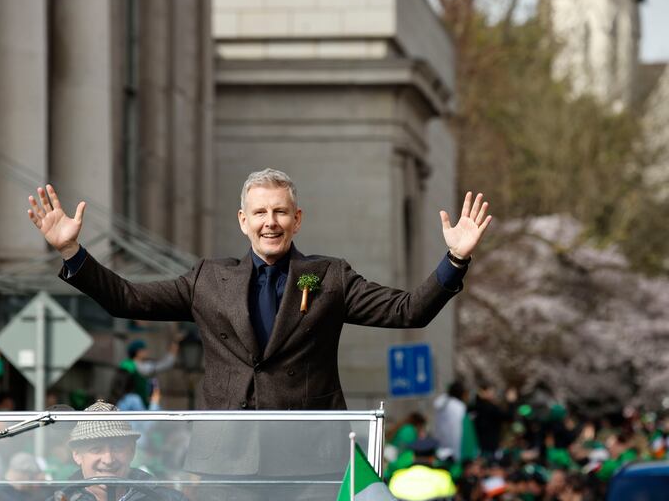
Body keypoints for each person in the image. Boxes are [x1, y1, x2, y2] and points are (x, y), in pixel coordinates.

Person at [26, 168, 491, 411]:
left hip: (306, 457)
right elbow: (126, 299)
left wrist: (455, 260)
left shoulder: (329, 276)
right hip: (228, 462)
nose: (271, 222)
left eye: (281, 212)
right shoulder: (208, 278)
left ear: (297, 219)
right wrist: (72, 252)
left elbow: (409, 311)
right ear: (243, 221)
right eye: (261, 213)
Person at [23, 401, 196, 501]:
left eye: (117, 447)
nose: (108, 459)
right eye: (96, 449)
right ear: (77, 455)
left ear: (132, 451)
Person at [119, 339, 177, 409]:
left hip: (128, 403)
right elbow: (164, 365)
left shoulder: (126, 365)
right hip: (134, 404)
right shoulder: (135, 366)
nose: (146, 352)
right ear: (138, 352)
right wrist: (173, 349)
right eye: (144, 350)